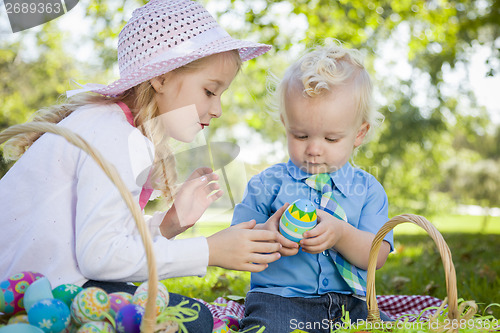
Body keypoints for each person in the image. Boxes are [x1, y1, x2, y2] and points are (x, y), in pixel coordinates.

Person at [0, 0, 283, 331]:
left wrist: (169, 224)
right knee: (194, 318)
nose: (217, 108)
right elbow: (100, 258)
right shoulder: (115, 134)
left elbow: (98, 240)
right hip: (46, 296)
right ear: (161, 78)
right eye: (210, 91)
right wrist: (209, 251)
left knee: (185, 313)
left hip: (38, 289)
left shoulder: (110, 124)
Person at [231, 43, 395, 332]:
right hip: (280, 301)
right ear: (286, 124)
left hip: (352, 303)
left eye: (331, 139)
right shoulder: (266, 184)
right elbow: (236, 243)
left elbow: (376, 257)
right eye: (301, 135)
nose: (314, 149)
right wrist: (268, 235)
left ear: (359, 134)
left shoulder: (368, 189)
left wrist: (341, 233)